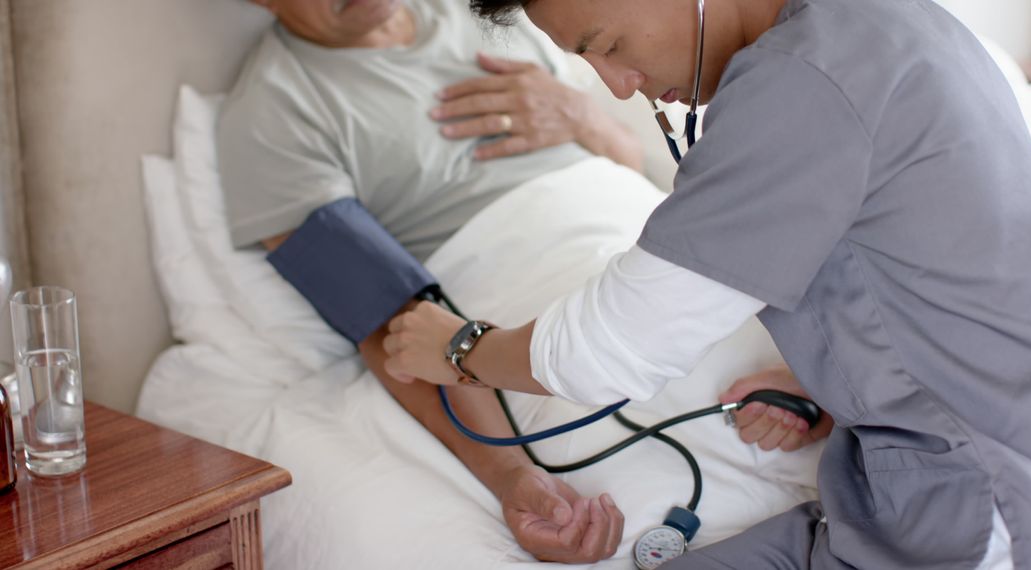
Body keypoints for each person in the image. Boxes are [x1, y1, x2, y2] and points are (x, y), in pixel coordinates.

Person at [382, 0, 1031, 568]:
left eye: (609, 44)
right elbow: (932, 253)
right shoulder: (883, 22)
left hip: (989, 511)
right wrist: (831, 372)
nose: (617, 84)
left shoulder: (799, 81)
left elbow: (604, 350)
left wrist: (458, 348)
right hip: (996, 455)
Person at [219, 0, 819, 563]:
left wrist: (584, 117)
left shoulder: (497, 13)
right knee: (679, 434)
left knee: (796, 370)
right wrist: (510, 477)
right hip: (520, 289)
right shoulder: (273, 112)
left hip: (656, 238)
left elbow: (627, 159)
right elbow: (391, 322)